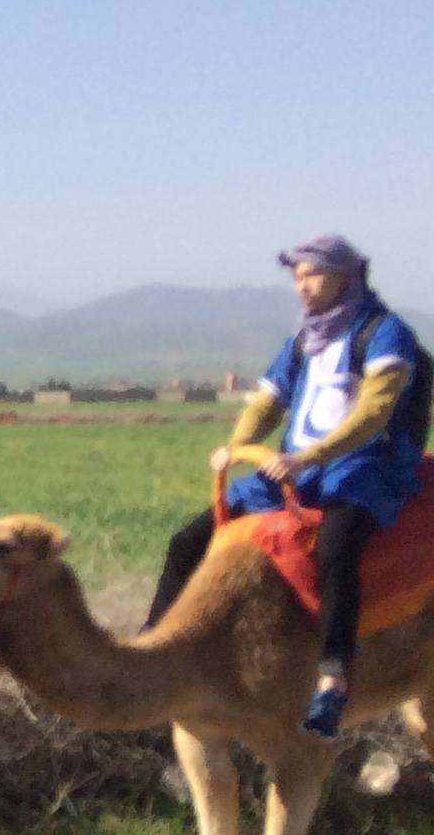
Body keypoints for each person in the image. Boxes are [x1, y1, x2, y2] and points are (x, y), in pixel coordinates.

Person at [142, 235, 423, 739]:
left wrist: (305, 457)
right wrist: (238, 445)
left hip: (362, 470)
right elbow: (267, 401)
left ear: (344, 276)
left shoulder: (384, 334)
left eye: (312, 274)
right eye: (296, 276)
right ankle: (149, 652)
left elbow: (374, 413)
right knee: (188, 540)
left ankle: (334, 673)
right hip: (294, 471)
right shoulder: (304, 340)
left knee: (336, 551)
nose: (302, 286)